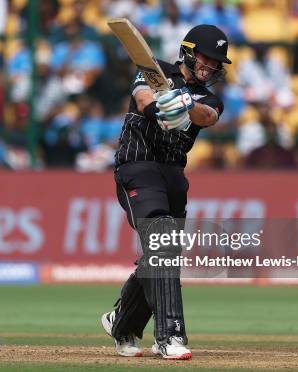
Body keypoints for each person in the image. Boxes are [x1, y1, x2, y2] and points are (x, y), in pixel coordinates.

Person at [100, 24, 229, 360]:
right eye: (206, 58)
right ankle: (169, 336)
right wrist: (161, 106)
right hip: (138, 166)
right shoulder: (156, 70)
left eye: (217, 62)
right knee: (163, 244)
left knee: (160, 255)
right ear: (188, 50)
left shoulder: (207, 96)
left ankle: (122, 322)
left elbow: (209, 116)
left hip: (173, 177)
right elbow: (144, 99)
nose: (211, 66)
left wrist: (183, 106)